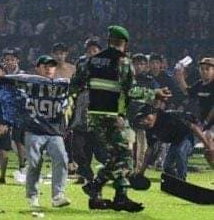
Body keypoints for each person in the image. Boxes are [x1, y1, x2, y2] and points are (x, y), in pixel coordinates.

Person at [71, 25, 169, 212]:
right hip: (114, 115)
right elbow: (131, 90)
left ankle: (98, 189)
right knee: (124, 155)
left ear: (109, 41)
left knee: (118, 155)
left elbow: (75, 85)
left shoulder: (90, 61)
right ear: (124, 43)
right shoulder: (123, 61)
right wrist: (154, 93)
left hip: (93, 116)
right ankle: (114, 193)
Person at [23, 55, 71, 208]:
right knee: (35, 163)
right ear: (37, 68)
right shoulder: (28, 84)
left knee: (62, 158)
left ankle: (58, 195)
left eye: (51, 66)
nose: (49, 68)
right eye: (45, 65)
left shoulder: (61, 85)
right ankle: (32, 196)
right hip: (34, 130)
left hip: (53, 130)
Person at [135, 104, 213, 180]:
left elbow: (194, 127)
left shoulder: (169, 117)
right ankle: (175, 181)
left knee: (181, 151)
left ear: (154, 114)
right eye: (141, 119)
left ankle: (182, 180)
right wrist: (141, 172)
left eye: (146, 117)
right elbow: (150, 150)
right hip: (177, 139)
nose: (144, 121)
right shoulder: (149, 130)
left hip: (191, 133)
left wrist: (208, 147)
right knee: (167, 167)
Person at [68, 39, 103, 184]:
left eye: (95, 51)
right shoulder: (81, 64)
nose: (92, 53)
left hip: (99, 107)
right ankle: (85, 172)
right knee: (78, 145)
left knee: (97, 147)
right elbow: (75, 83)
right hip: (82, 105)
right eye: (89, 51)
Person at [128, 54, 160, 175]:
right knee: (128, 146)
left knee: (142, 147)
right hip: (128, 117)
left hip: (143, 117)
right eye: (136, 63)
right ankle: (129, 170)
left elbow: (158, 99)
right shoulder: (127, 79)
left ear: (146, 66)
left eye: (141, 64)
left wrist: (153, 115)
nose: (139, 66)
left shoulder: (150, 81)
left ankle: (138, 172)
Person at [1, 48, 26, 171]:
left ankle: (22, 164)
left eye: (12, 59)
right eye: (7, 60)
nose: (10, 62)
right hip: (4, 111)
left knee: (18, 139)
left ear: (17, 60)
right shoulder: (1, 75)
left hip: (19, 112)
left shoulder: (23, 75)